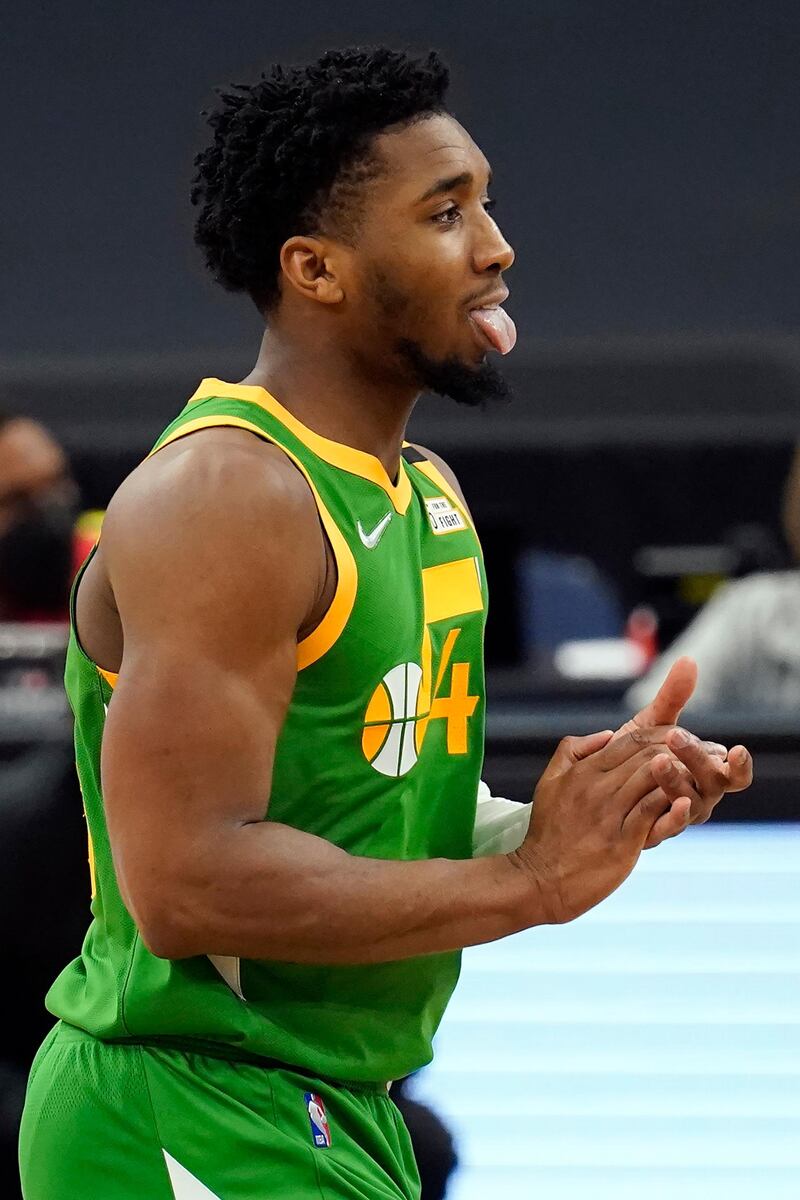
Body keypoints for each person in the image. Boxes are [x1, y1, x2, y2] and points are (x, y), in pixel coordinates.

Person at [18, 47, 753, 1200]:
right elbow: (186, 886)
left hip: (332, 1107)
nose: (497, 245)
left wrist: (573, 818)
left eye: (486, 203)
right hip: (187, 1102)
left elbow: (378, 806)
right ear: (316, 268)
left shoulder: (429, 496)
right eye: (445, 212)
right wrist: (532, 887)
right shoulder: (229, 497)